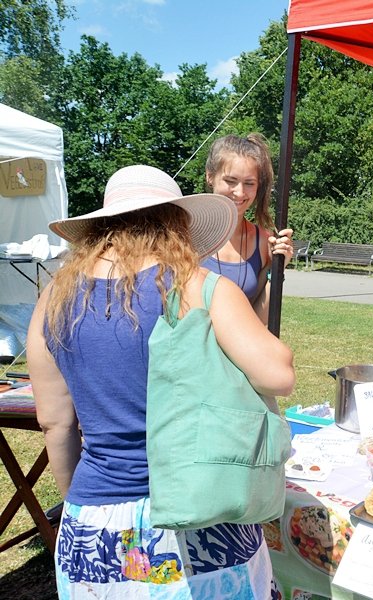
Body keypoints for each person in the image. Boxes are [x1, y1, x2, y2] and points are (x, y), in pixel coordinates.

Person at [27, 165, 295, 598]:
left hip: (94, 519)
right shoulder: (199, 286)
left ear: (99, 228)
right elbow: (279, 373)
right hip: (202, 515)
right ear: (176, 223)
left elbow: (54, 423)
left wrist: (81, 505)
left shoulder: (53, 297)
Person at [202, 133, 294, 324]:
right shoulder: (184, 235)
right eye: (230, 181)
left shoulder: (262, 241)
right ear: (210, 176)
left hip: (238, 353)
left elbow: (258, 321)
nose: (240, 192)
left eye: (249, 183)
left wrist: (276, 267)